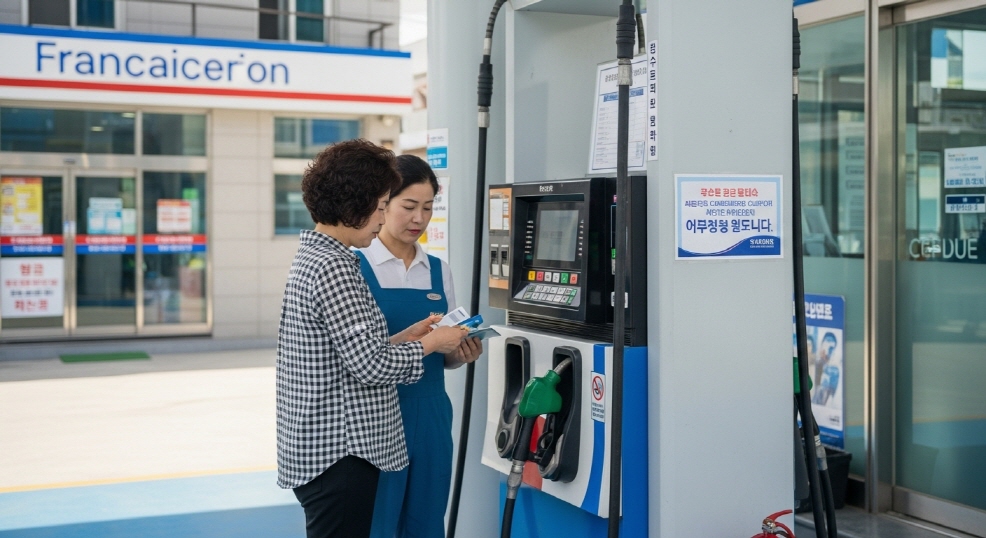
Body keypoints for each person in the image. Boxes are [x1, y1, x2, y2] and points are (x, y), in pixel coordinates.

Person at [275, 139, 469, 538]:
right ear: (357, 203)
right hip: (344, 448)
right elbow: (371, 365)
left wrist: (404, 337)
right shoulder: (337, 266)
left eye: (428, 207)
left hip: (347, 439)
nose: (383, 219)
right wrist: (432, 342)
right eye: (385, 206)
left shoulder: (317, 258)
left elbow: (351, 351)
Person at [358, 154, 483, 538]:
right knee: (378, 521)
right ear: (383, 204)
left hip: (431, 411)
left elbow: (442, 354)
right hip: (377, 414)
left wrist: (459, 354)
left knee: (427, 521)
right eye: (409, 206)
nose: (419, 219)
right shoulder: (355, 264)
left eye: (428, 208)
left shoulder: (438, 269)